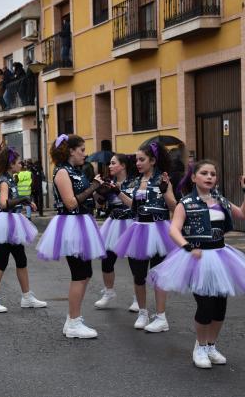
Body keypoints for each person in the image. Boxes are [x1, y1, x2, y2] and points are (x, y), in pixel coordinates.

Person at [149, 160, 245, 368]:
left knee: (220, 307)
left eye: (212, 173)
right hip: (197, 258)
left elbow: (244, 214)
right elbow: (174, 229)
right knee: (205, 305)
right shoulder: (186, 203)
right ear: (194, 178)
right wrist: (187, 247)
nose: (209, 177)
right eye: (204, 173)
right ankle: (200, 347)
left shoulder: (221, 200)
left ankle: (211, 345)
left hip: (221, 256)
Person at [36, 134, 106, 338]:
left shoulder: (77, 171)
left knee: (86, 273)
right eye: (82, 150)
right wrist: (93, 186)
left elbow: (86, 198)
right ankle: (74, 322)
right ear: (71, 151)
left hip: (83, 222)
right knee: (79, 274)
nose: (85, 154)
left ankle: (72, 319)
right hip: (71, 225)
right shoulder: (62, 172)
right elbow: (71, 203)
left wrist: (100, 192)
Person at [113, 142, 178, 332]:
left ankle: (161, 317)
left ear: (153, 161)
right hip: (139, 230)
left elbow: (174, 207)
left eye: (142, 159)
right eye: (136, 160)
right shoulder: (135, 181)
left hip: (159, 231)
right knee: (138, 275)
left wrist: (165, 190)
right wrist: (117, 192)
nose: (138, 163)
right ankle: (143, 312)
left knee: (159, 275)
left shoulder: (163, 180)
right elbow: (133, 206)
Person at [0, 146, 44, 313]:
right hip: (4, 223)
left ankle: (27, 297)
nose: (21, 164)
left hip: (11, 222)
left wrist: (24, 201)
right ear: (10, 164)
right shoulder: (4, 181)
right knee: (2, 261)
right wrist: (24, 199)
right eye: (18, 161)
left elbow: (11, 202)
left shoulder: (10, 179)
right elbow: (3, 204)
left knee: (21, 259)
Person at [95, 154, 136, 310]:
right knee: (106, 259)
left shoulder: (134, 182)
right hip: (113, 224)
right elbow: (99, 206)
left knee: (135, 262)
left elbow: (134, 205)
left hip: (131, 224)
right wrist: (97, 191)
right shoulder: (109, 182)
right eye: (110, 163)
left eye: (113, 163)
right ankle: (109, 292)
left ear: (123, 165)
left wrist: (117, 191)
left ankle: (137, 298)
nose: (110, 166)